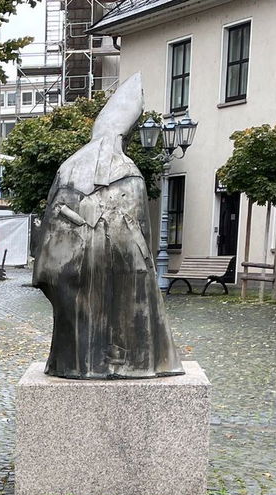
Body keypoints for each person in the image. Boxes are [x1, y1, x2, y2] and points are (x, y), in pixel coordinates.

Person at [32, 75, 181, 379]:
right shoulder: (129, 171)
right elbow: (142, 233)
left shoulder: (68, 167)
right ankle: (133, 362)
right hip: (119, 258)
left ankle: (73, 363)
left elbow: (49, 221)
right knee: (128, 310)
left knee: (80, 319)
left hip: (69, 255)